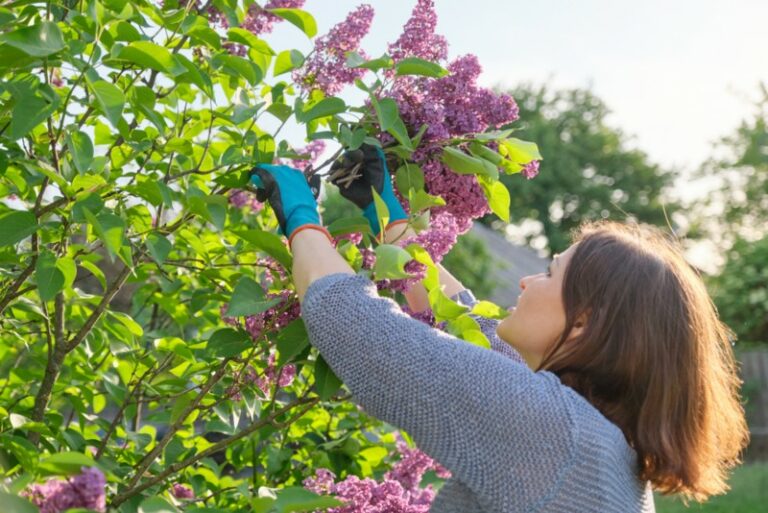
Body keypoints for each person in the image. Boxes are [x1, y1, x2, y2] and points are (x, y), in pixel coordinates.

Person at [248, 145, 749, 513]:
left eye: (550, 273)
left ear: (583, 323)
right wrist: (390, 218)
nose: (528, 281)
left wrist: (299, 215)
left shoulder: (554, 432)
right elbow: (470, 326)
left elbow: (358, 325)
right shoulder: (601, 444)